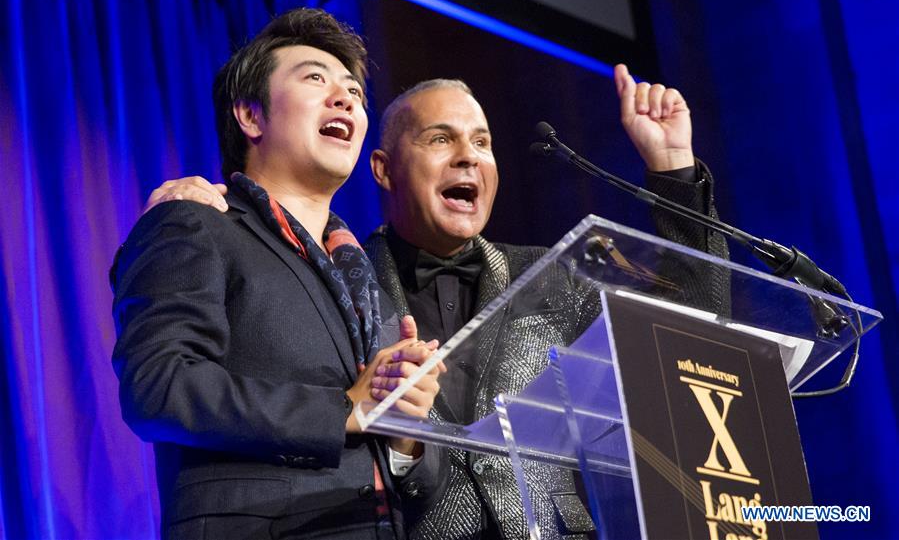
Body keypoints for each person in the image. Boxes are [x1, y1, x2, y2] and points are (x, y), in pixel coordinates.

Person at [146, 65, 729, 538]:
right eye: (440, 139)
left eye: (482, 142)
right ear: (383, 169)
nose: (468, 156)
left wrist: (671, 166)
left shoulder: (557, 276)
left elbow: (695, 325)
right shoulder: (338, 283)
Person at [111, 8, 446, 540]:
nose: (346, 99)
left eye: (355, 93)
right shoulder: (196, 224)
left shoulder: (372, 288)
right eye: (316, 78)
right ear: (250, 115)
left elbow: (414, 483)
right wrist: (341, 409)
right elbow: (157, 387)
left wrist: (405, 431)